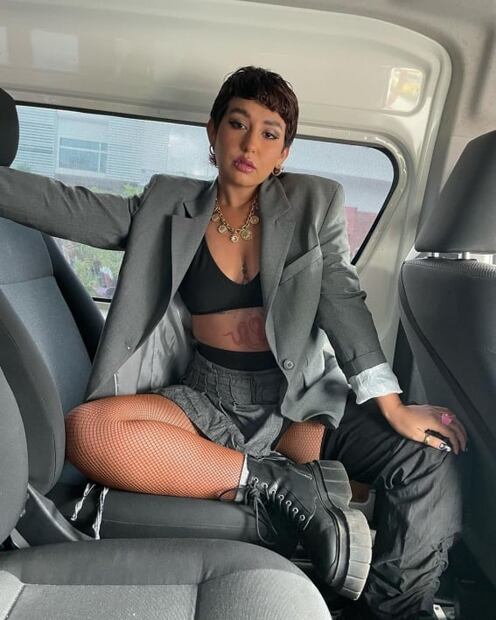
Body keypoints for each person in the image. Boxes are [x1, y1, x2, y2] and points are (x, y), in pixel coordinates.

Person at [0, 67, 465, 619]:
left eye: (270, 133)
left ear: (284, 153)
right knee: (88, 430)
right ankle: (275, 483)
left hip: (293, 405)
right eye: (238, 124)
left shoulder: (315, 204)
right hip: (203, 397)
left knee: (424, 458)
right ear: (213, 132)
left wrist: (392, 404)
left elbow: (342, 299)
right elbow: (68, 204)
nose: (250, 145)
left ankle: (392, 611)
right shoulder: (167, 203)